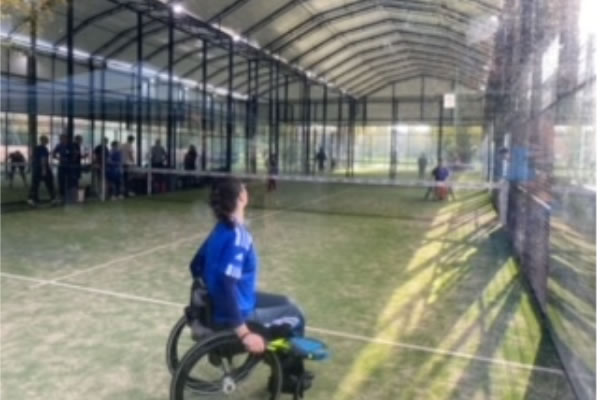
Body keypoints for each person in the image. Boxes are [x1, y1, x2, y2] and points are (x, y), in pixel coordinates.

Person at [189, 178, 311, 391]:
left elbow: (195, 266)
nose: (246, 188)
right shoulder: (239, 236)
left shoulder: (218, 231)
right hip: (236, 314)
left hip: (225, 305)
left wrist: (209, 295)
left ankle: (280, 362)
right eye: (243, 187)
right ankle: (286, 379)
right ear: (241, 198)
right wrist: (243, 332)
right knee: (296, 315)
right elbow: (227, 283)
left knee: (285, 302)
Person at [28, 136, 56, 205]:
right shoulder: (43, 148)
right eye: (47, 140)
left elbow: (32, 157)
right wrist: (44, 169)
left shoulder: (37, 148)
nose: (48, 141)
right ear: (44, 141)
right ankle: (53, 198)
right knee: (49, 183)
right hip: (42, 168)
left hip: (36, 168)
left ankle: (32, 199)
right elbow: (43, 159)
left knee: (35, 184)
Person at [52, 134, 72, 202]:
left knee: (69, 180)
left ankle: (69, 194)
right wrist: (59, 159)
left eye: (65, 138)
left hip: (69, 166)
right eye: (62, 139)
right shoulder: (59, 146)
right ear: (61, 139)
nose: (64, 140)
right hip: (62, 166)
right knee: (61, 181)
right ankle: (62, 195)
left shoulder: (70, 146)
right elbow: (53, 154)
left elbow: (74, 154)